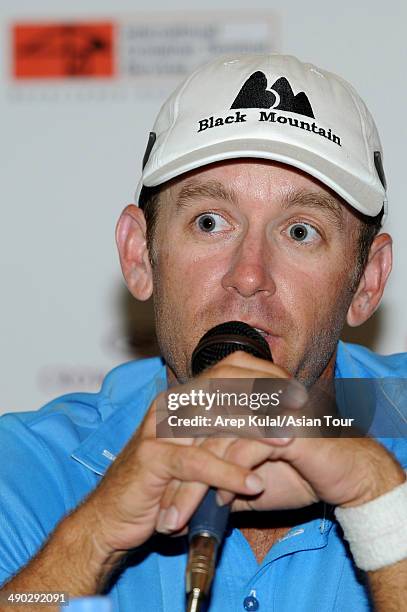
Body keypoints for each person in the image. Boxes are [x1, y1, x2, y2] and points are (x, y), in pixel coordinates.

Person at [0, 54, 406, 612]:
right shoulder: (29, 469)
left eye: (300, 231)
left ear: (367, 281)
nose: (248, 275)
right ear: (139, 254)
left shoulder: (396, 414)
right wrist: (92, 536)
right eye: (209, 221)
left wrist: (383, 508)